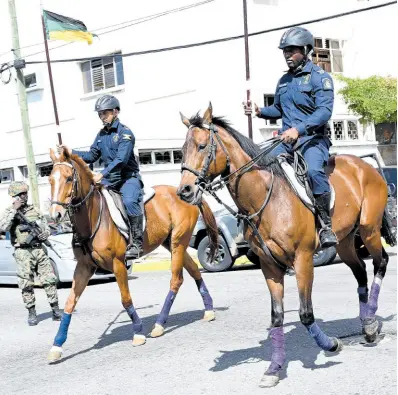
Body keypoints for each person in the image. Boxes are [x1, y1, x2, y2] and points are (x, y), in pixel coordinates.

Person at [243, 27, 337, 248]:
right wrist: (259, 111)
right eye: (285, 51)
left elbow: (324, 112)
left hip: (312, 140)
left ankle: (325, 225)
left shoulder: (320, 79)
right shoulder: (284, 81)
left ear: (305, 50)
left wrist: (299, 129)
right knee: (256, 166)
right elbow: (278, 108)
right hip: (286, 142)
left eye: (292, 50)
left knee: (314, 172)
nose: (287, 55)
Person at [58, 94, 144, 259]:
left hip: (128, 178)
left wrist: (102, 174)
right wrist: (71, 152)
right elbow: (91, 155)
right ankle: (83, 237)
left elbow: (121, 160)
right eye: (100, 114)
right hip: (110, 180)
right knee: (86, 197)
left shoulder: (125, 133)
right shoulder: (101, 135)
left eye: (105, 113)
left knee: (129, 201)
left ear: (115, 112)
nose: (102, 117)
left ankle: (137, 244)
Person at [0, 182, 61, 326]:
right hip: (22, 251)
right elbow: (3, 227)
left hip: (39, 249)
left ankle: (56, 310)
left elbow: (45, 226)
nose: (24, 197)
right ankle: (32, 312)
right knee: (26, 283)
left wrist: (45, 234)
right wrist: (14, 211)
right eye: (21, 195)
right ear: (14, 196)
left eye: (25, 194)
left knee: (49, 280)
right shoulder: (9, 211)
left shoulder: (35, 210)